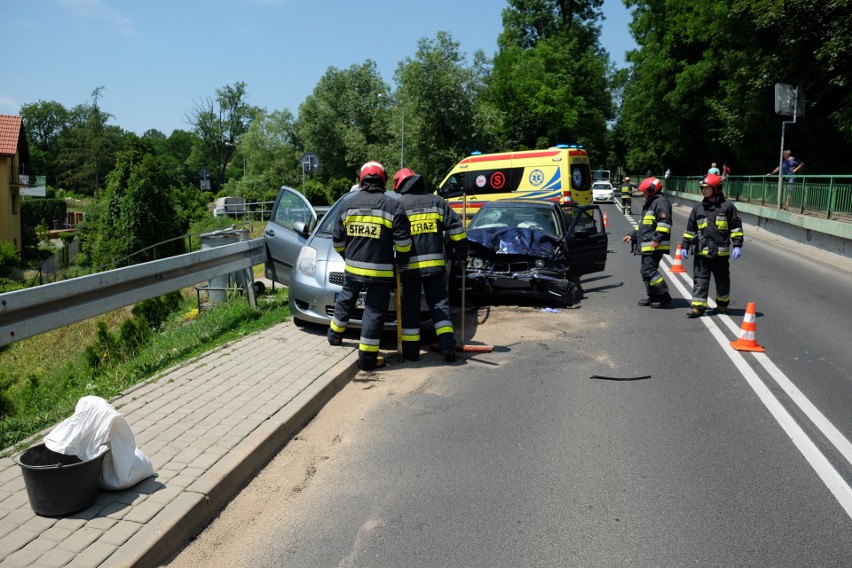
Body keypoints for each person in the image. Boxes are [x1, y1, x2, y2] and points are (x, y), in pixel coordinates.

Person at [328, 161, 412, 371]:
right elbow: (403, 243)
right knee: (373, 312)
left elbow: (337, 240)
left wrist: (347, 257)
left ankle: (334, 336)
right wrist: (401, 261)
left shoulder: (347, 204)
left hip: (353, 270)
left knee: (346, 301)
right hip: (380, 272)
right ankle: (366, 359)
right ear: (383, 180)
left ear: (361, 179)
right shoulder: (393, 206)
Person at [393, 168, 468, 362]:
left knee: (410, 309)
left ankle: (411, 353)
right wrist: (462, 254)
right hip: (435, 268)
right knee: (440, 306)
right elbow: (457, 232)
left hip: (409, 269)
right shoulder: (438, 202)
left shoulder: (398, 205)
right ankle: (447, 346)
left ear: (401, 186)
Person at [680, 173, 744, 318]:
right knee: (700, 280)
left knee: (722, 281)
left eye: (706, 188)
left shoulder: (727, 207)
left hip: (720, 255)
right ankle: (697, 307)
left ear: (716, 188)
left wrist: (737, 245)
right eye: (702, 188)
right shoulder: (698, 208)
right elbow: (690, 230)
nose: (703, 190)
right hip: (701, 253)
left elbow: (736, 228)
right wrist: (685, 246)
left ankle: (722, 305)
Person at [621, 177, 673, 308]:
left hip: (653, 244)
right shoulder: (651, 202)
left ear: (651, 190)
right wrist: (631, 235)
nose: (643, 194)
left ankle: (663, 295)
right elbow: (644, 226)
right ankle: (653, 296)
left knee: (649, 270)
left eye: (644, 192)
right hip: (647, 244)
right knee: (646, 271)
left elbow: (664, 224)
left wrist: (657, 239)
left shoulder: (661, 202)